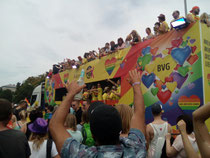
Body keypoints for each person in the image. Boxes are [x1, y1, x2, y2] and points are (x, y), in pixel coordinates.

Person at [49, 69, 146, 157]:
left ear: (92, 135)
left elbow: (55, 125)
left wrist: (70, 94)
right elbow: (139, 113)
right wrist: (136, 85)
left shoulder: (81, 154)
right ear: (120, 129)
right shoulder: (136, 148)